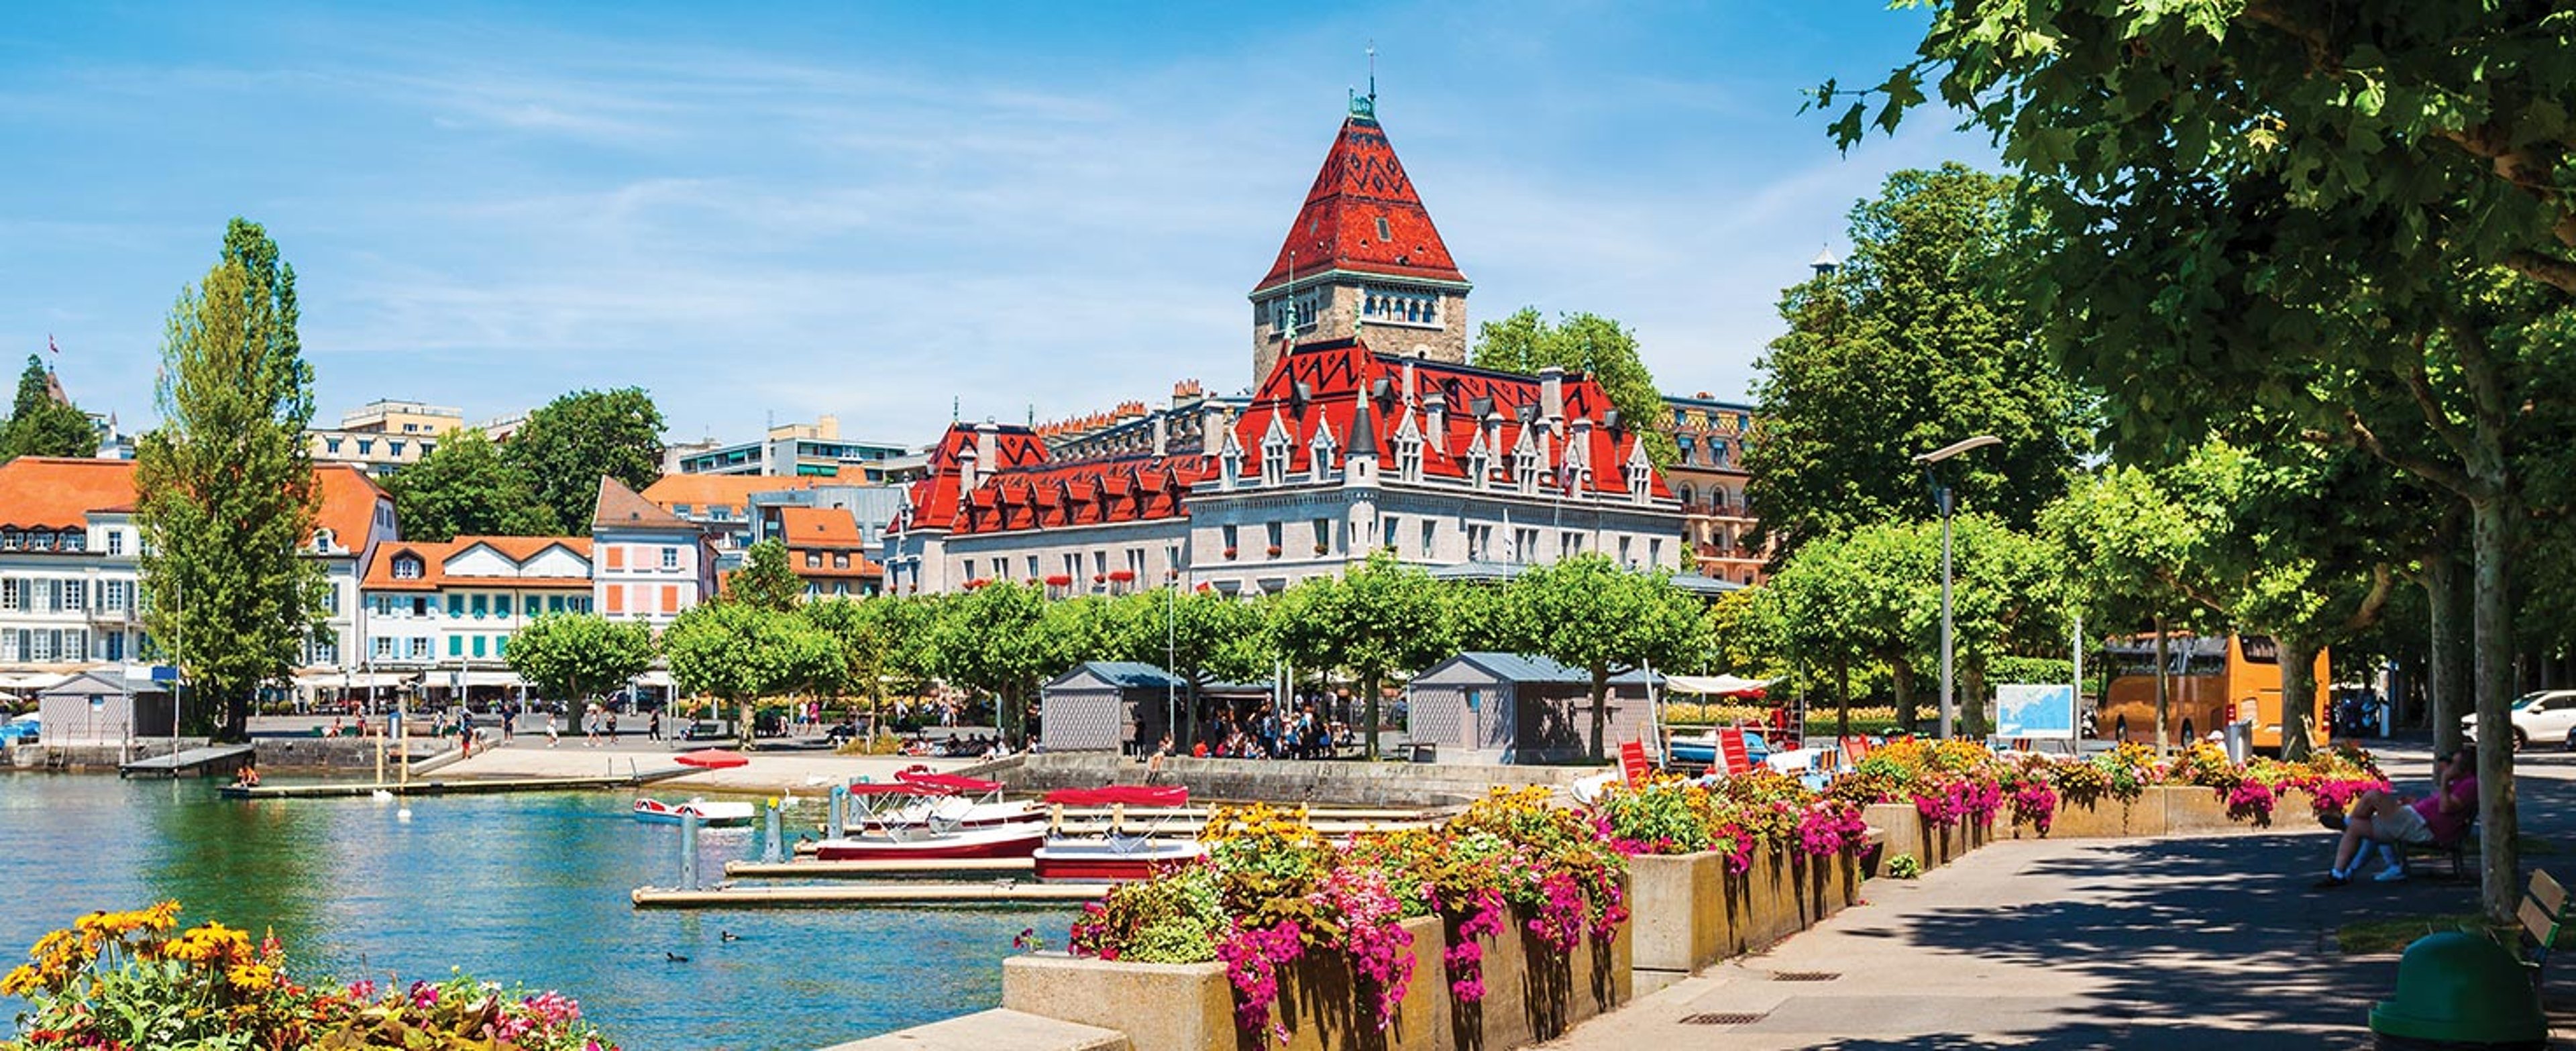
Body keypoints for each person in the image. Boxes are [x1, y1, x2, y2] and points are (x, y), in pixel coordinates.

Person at [2317, 749, 2478, 887]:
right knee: (2357, 827)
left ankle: (2345, 822)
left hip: (2424, 827)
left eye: (2454, 764)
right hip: (2413, 819)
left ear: (2464, 768)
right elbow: (2438, 805)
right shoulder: (2458, 782)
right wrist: (2416, 803)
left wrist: (2444, 780)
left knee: (2374, 796)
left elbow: (2445, 808)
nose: (2450, 767)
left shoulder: (2470, 784)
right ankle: (2337, 874)